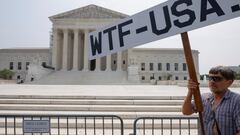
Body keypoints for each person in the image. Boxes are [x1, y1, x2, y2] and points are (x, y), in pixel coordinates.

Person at [182, 66, 240, 135]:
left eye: (217, 79)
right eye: (210, 78)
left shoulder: (236, 101)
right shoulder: (204, 98)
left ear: (229, 82)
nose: (212, 81)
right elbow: (186, 111)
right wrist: (190, 92)